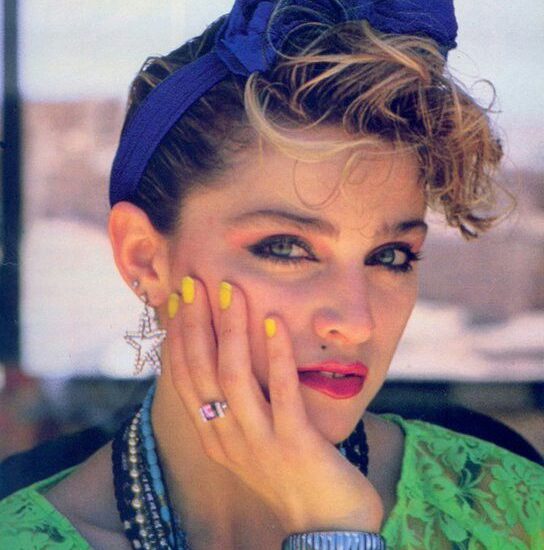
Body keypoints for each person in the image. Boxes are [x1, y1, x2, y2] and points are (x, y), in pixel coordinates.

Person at [0, 0, 542, 548]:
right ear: (145, 258)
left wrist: (338, 525)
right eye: (286, 249)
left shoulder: (515, 513)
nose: (356, 322)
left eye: (390, 256)